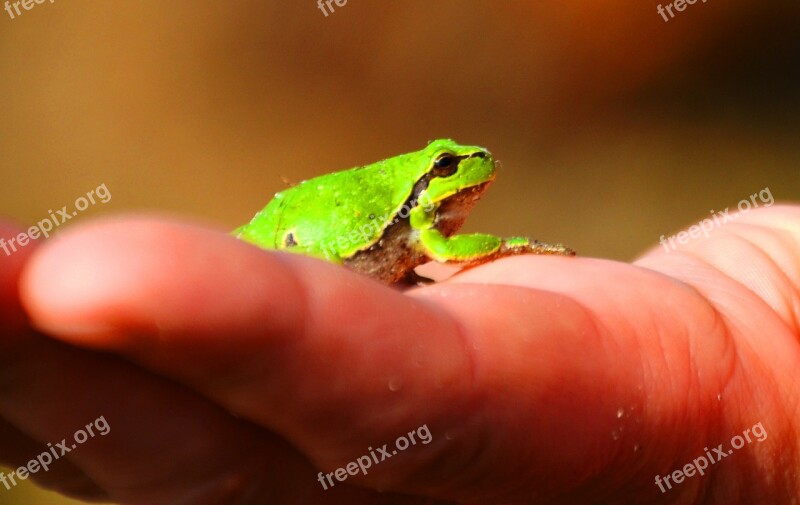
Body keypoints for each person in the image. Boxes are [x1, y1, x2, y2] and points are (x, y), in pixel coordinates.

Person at [1, 205, 798, 504]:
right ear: (428, 185)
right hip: (322, 254)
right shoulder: (423, 220)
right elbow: (441, 246)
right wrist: (515, 243)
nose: (470, 171)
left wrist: (763, 324)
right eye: (448, 166)